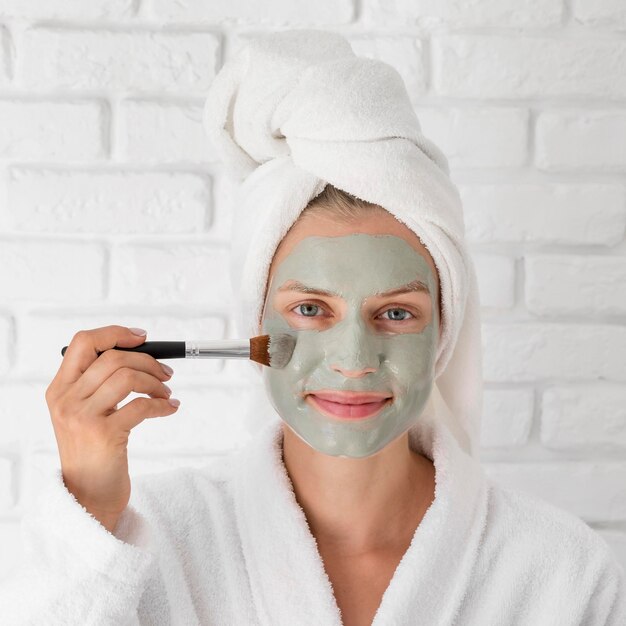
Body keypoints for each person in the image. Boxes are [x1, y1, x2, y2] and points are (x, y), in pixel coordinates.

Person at [1, 29, 625, 626]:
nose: (353, 359)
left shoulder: (561, 571)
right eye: (309, 309)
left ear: (445, 334)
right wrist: (86, 509)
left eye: (397, 313)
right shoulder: (142, 544)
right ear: (257, 324)